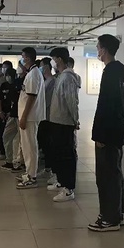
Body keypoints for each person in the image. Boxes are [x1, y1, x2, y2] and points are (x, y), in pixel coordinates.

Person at [90, 33, 124, 232]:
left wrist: (100, 135)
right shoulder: (117, 72)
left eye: (98, 47)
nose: (97, 50)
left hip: (109, 133)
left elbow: (107, 106)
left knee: (107, 175)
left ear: (104, 50)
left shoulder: (111, 73)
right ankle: (116, 213)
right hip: (115, 131)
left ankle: (110, 218)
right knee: (114, 173)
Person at [47, 47, 80, 203]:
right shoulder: (61, 76)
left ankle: (69, 188)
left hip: (65, 122)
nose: (53, 62)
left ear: (59, 59)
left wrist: (75, 119)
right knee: (59, 154)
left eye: (54, 59)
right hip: (57, 121)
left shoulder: (68, 77)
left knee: (67, 156)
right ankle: (61, 181)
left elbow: (71, 101)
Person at [16, 46, 45, 189]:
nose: (21, 60)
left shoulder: (34, 74)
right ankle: (29, 172)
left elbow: (31, 97)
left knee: (30, 147)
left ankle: (31, 177)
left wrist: (24, 117)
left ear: (27, 58)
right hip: (28, 116)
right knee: (27, 146)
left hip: (29, 117)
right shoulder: (32, 73)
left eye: (23, 57)